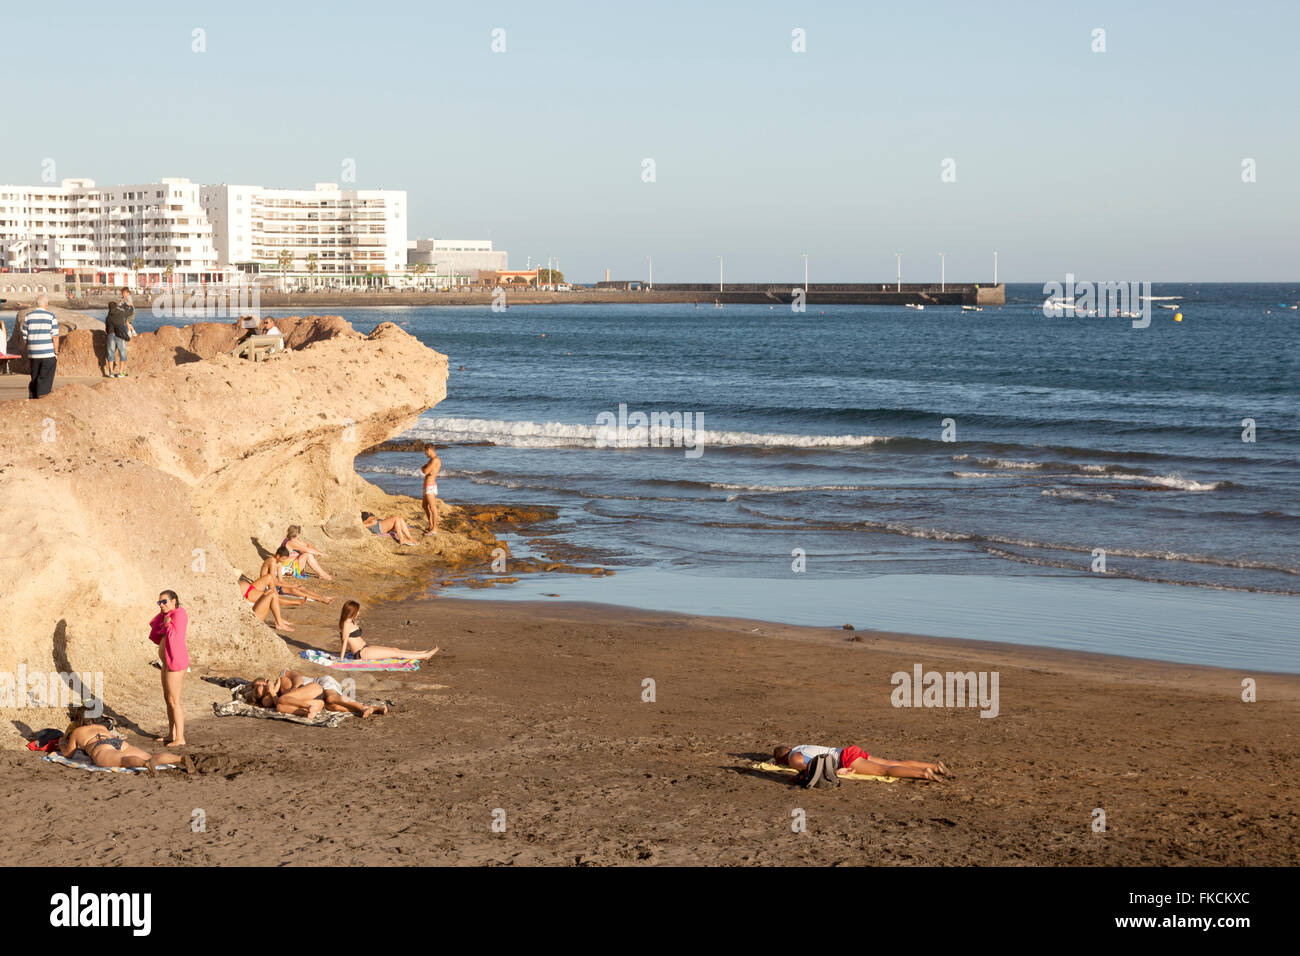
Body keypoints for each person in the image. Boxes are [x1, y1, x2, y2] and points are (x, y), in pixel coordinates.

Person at [60, 705, 190, 771]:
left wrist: (61, 745)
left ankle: (144, 764)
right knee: (151, 756)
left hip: (100, 747)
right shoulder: (102, 727)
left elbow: (69, 754)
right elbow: (112, 737)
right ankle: (180, 759)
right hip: (118, 742)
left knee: (123, 760)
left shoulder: (77, 731)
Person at [247, 670, 389, 719]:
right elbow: (274, 703)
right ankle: (373, 708)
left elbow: (296, 676)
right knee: (333, 706)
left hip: (319, 684)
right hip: (317, 701)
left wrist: (295, 688)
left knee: (331, 697)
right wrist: (272, 692)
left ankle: (362, 707)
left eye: (263, 685)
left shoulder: (282, 678)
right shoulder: (272, 696)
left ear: (266, 680)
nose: (264, 688)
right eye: (262, 690)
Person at [772, 744, 951, 781]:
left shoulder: (792, 757)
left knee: (885, 770)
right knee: (891, 762)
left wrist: (835, 772)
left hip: (845, 759)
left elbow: (807, 768)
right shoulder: (802, 746)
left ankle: (924, 774)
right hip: (847, 751)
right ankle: (934, 766)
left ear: (782, 758)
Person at [149, 590, 189, 746]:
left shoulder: (180, 614)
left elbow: (175, 635)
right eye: (160, 602)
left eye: (165, 601)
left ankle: (180, 738)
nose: (162, 605)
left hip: (176, 663)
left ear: (174, 601)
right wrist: (166, 620)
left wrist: (167, 623)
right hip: (166, 663)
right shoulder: (167, 615)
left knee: (174, 700)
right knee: (168, 699)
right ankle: (171, 734)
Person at [338, 600, 439, 661]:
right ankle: (426, 655)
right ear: (352, 612)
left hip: (366, 647)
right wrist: (341, 659)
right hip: (361, 653)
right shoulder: (346, 624)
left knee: (395, 650)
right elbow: (344, 641)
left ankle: (423, 652)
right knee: (396, 654)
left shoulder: (350, 621)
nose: (359, 612)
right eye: (357, 611)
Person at [259, 547, 335, 604]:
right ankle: (322, 600)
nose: (283, 561)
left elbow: (281, 580)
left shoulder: (278, 563)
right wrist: (291, 586)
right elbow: (273, 582)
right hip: (267, 586)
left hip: (275, 585)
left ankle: (322, 597)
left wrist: (292, 585)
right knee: (293, 590)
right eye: (283, 559)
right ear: (278, 556)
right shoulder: (271, 562)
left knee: (301, 588)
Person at [21, 294, 59, 399]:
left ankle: (33, 397)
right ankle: (42, 399)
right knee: (45, 379)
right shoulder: (51, 316)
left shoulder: (28, 316)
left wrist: (30, 350)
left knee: (35, 377)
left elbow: (25, 338)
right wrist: (56, 352)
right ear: (46, 304)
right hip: (47, 353)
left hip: (33, 354)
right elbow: (55, 336)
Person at [104, 288, 135, 378]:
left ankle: (111, 373)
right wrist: (131, 307)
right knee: (122, 353)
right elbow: (130, 311)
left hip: (110, 335)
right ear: (116, 307)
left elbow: (106, 328)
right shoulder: (120, 313)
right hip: (120, 335)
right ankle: (121, 372)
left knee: (111, 354)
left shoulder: (108, 317)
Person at [420, 445, 441, 536]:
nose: (425, 453)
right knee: (424, 505)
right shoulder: (431, 460)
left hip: (430, 485)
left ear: (429, 450)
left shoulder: (435, 460)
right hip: (427, 485)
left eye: (426, 451)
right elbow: (427, 470)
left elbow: (425, 471)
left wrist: (423, 468)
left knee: (433, 507)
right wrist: (425, 468)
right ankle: (431, 525)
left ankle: (434, 529)